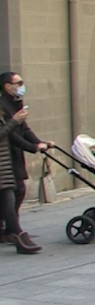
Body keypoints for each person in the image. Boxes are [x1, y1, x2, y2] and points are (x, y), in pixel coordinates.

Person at [0, 72, 53, 226]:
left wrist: (39, 143)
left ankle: (10, 227)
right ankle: (11, 228)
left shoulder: (16, 103)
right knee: (15, 192)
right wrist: (33, 147)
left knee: (17, 192)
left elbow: (24, 129)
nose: (22, 87)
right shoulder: (3, 105)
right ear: (7, 86)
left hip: (14, 155)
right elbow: (10, 134)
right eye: (19, 83)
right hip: (6, 156)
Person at [1, 106, 39, 253]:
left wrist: (35, 144)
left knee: (9, 201)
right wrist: (14, 121)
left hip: (4, 167)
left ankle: (16, 234)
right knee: (8, 202)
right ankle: (18, 235)